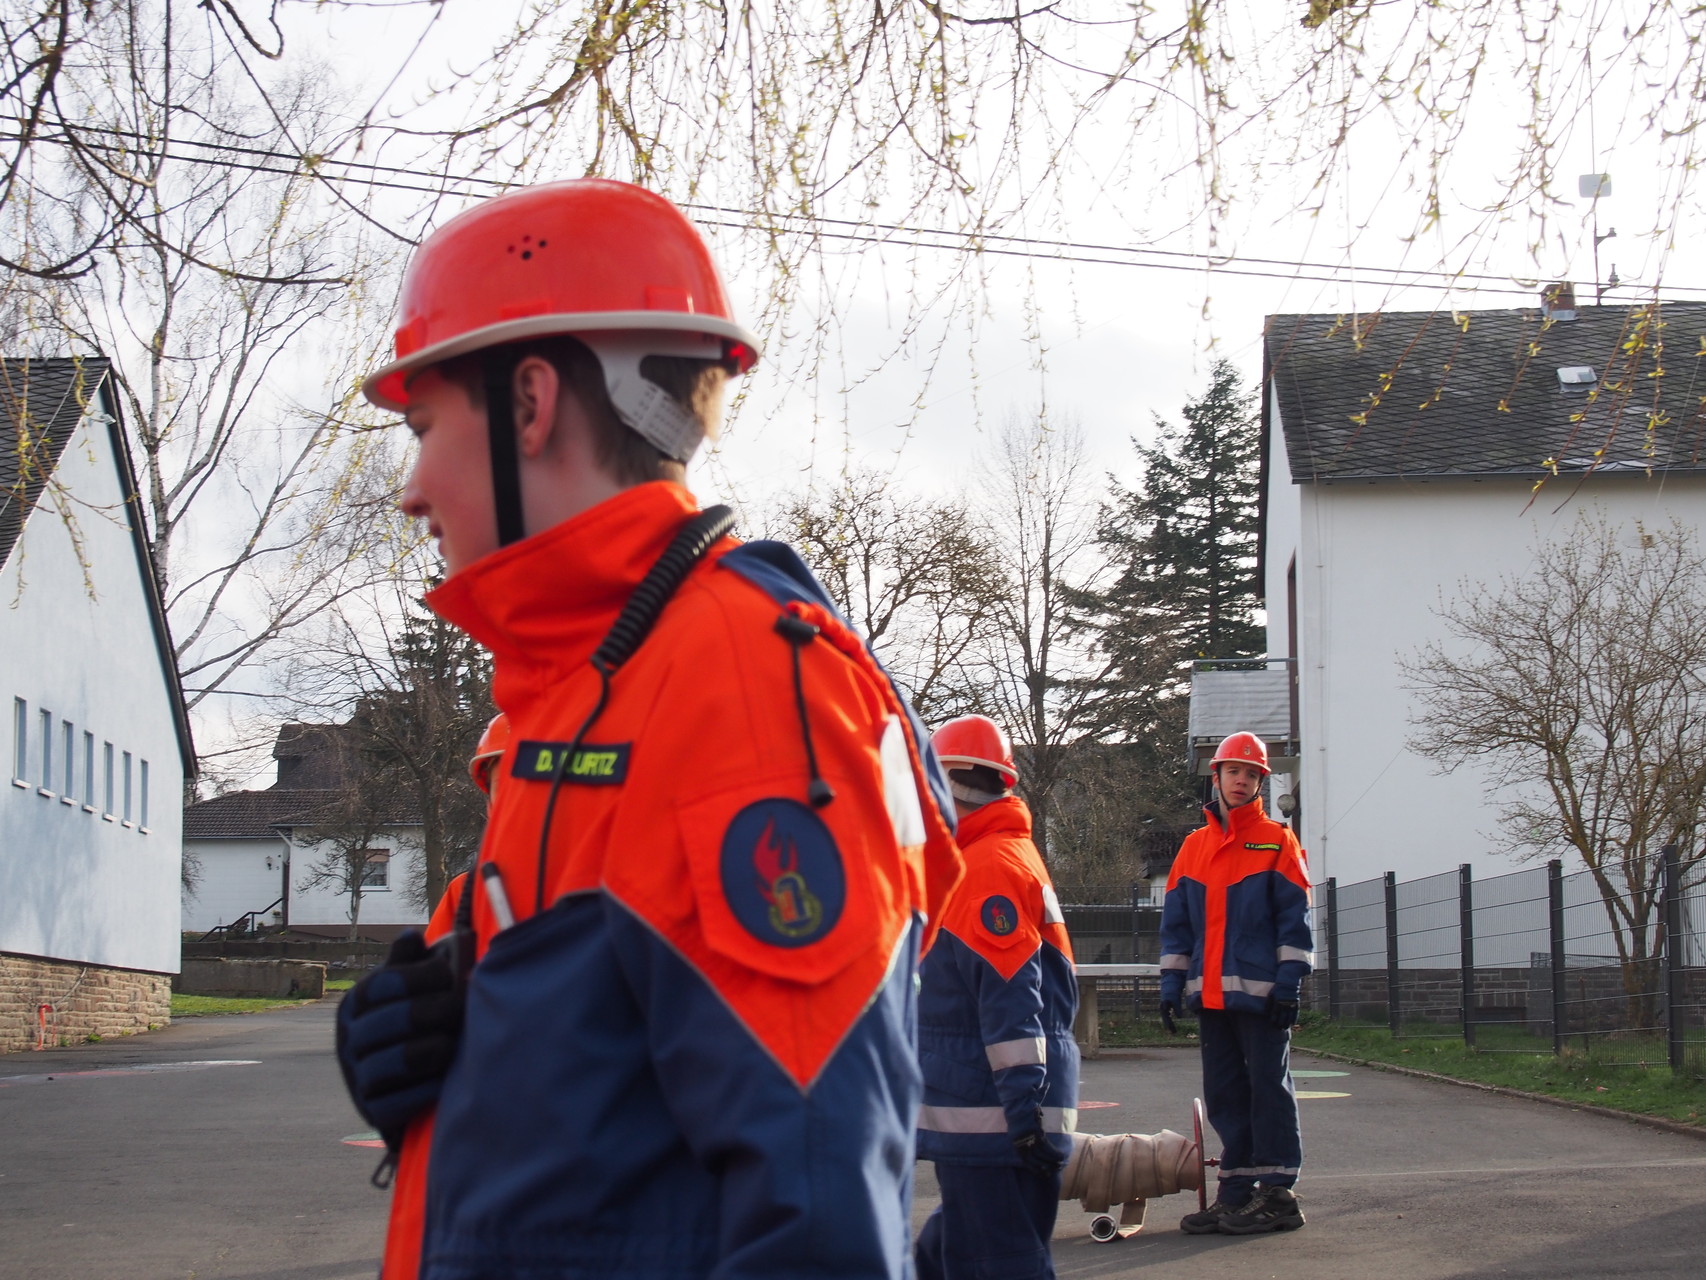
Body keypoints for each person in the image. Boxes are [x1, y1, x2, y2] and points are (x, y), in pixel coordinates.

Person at [334, 178, 964, 1280]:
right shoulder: (587, 686)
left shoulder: (739, 683)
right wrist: (444, 1030)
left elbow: (818, 1222)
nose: (412, 491)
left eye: (424, 427)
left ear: (528, 402)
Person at [914, 714, 1077, 1280]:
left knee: (996, 1260)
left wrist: (1022, 1111)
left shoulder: (983, 868)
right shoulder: (1004, 855)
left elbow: (1010, 1002)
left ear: (951, 783)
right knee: (948, 1251)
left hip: (992, 1116)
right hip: (998, 1113)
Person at [1158, 731, 1312, 1235]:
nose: (1242, 780)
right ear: (1217, 776)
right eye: (1234, 772)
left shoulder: (1277, 841)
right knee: (1225, 1093)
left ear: (1261, 782)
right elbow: (1177, 924)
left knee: (1269, 1090)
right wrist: (1170, 982)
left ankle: (1277, 1195)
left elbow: (1295, 924)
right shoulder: (1194, 847)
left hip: (1265, 997)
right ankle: (1235, 1194)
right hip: (1212, 997)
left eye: (1251, 774)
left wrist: (1290, 983)